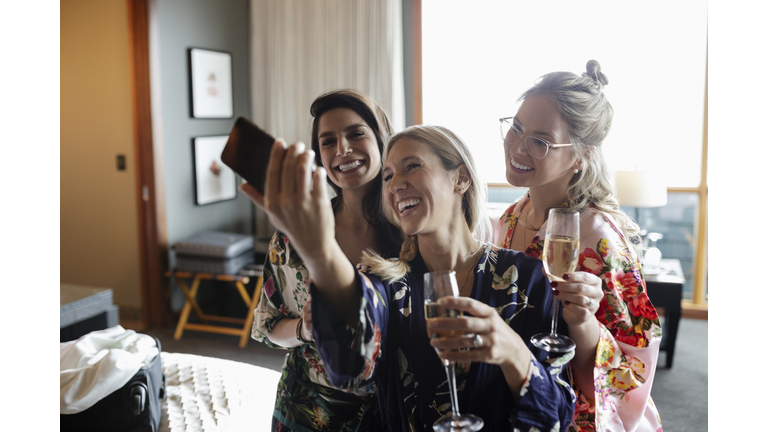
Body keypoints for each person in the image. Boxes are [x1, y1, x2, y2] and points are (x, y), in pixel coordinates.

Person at [243, 124, 577, 431]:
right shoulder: (386, 283)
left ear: (460, 177)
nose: (395, 184)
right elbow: (349, 366)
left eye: (412, 166)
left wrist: (513, 353)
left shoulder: (527, 278)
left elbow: (556, 417)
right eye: (387, 175)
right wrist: (317, 249)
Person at [495, 60, 662, 432]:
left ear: (580, 157)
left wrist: (583, 321)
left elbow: (624, 377)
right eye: (517, 128)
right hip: (525, 400)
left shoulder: (598, 240)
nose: (518, 147)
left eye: (540, 140)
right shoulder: (513, 216)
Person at [248, 89, 402, 432]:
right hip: (307, 409)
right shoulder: (291, 239)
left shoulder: (412, 233)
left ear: (381, 139)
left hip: (393, 409)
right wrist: (304, 329)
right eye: (328, 141)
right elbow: (269, 328)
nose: (342, 150)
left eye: (356, 133)